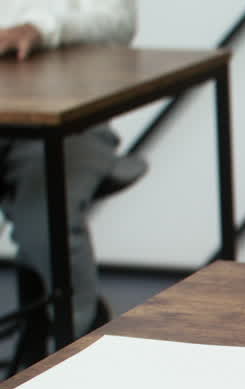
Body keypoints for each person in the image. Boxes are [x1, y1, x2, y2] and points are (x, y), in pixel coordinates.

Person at [1, 0, 141, 367]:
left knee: (45, 215)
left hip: (72, 117)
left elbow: (118, 23)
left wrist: (38, 28)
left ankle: (80, 338)